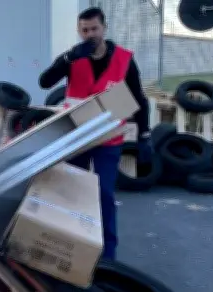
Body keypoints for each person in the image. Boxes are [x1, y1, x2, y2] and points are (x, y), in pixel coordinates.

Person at [38, 6, 151, 261]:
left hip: (107, 138)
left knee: (104, 195)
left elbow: (139, 99)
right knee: (71, 192)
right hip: (76, 137)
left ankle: (108, 255)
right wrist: (66, 59)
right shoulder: (73, 58)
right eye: (84, 30)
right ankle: (69, 248)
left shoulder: (123, 59)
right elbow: (44, 82)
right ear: (79, 31)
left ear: (104, 28)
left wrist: (145, 135)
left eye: (94, 29)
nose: (90, 34)